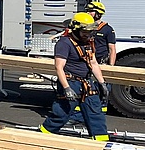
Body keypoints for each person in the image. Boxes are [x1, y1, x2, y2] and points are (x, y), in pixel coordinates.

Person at [40, 13, 110, 141]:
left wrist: (102, 83)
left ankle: (101, 143)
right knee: (61, 114)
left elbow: (93, 63)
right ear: (76, 30)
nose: (87, 35)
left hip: (87, 84)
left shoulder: (88, 43)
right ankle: (42, 137)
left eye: (90, 32)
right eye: (85, 32)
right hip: (70, 82)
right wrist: (66, 88)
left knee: (96, 114)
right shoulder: (64, 43)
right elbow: (59, 67)